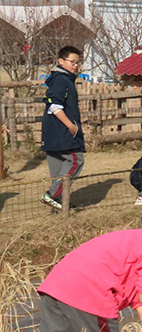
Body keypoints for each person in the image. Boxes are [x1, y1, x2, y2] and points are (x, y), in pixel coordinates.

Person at [40, 45, 86, 211]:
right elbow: (53, 105)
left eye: (77, 62)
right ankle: (51, 196)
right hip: (62, 131)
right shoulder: (61, 80)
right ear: (60, 61)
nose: (75, 65)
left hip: (51, 132)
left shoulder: (63, 79)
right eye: (72, 62)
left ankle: (59, 203)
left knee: (59, 168)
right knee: (76, 160)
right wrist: (70, 125)